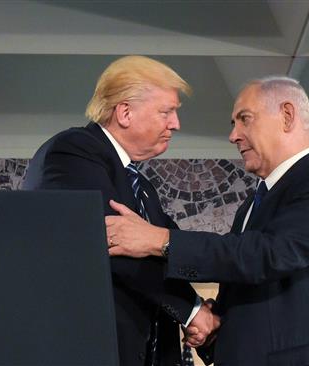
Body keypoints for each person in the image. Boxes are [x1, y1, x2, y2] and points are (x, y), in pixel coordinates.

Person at [106, 76, 309, 365]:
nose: (233, 135)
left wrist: (160, 240)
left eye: (244, 119)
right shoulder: (251, 206)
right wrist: (213, 328)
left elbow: (267, 255)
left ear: (287, 116)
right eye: (233, 124)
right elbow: (247, 273)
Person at [22, 55, 219, 366]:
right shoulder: (72, 152)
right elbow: (115, 246)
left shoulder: (143, 188)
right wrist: (193, 311)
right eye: (166, 112)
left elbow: (174, 251)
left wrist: (238, 266)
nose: (176, 124)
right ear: (125, 112)